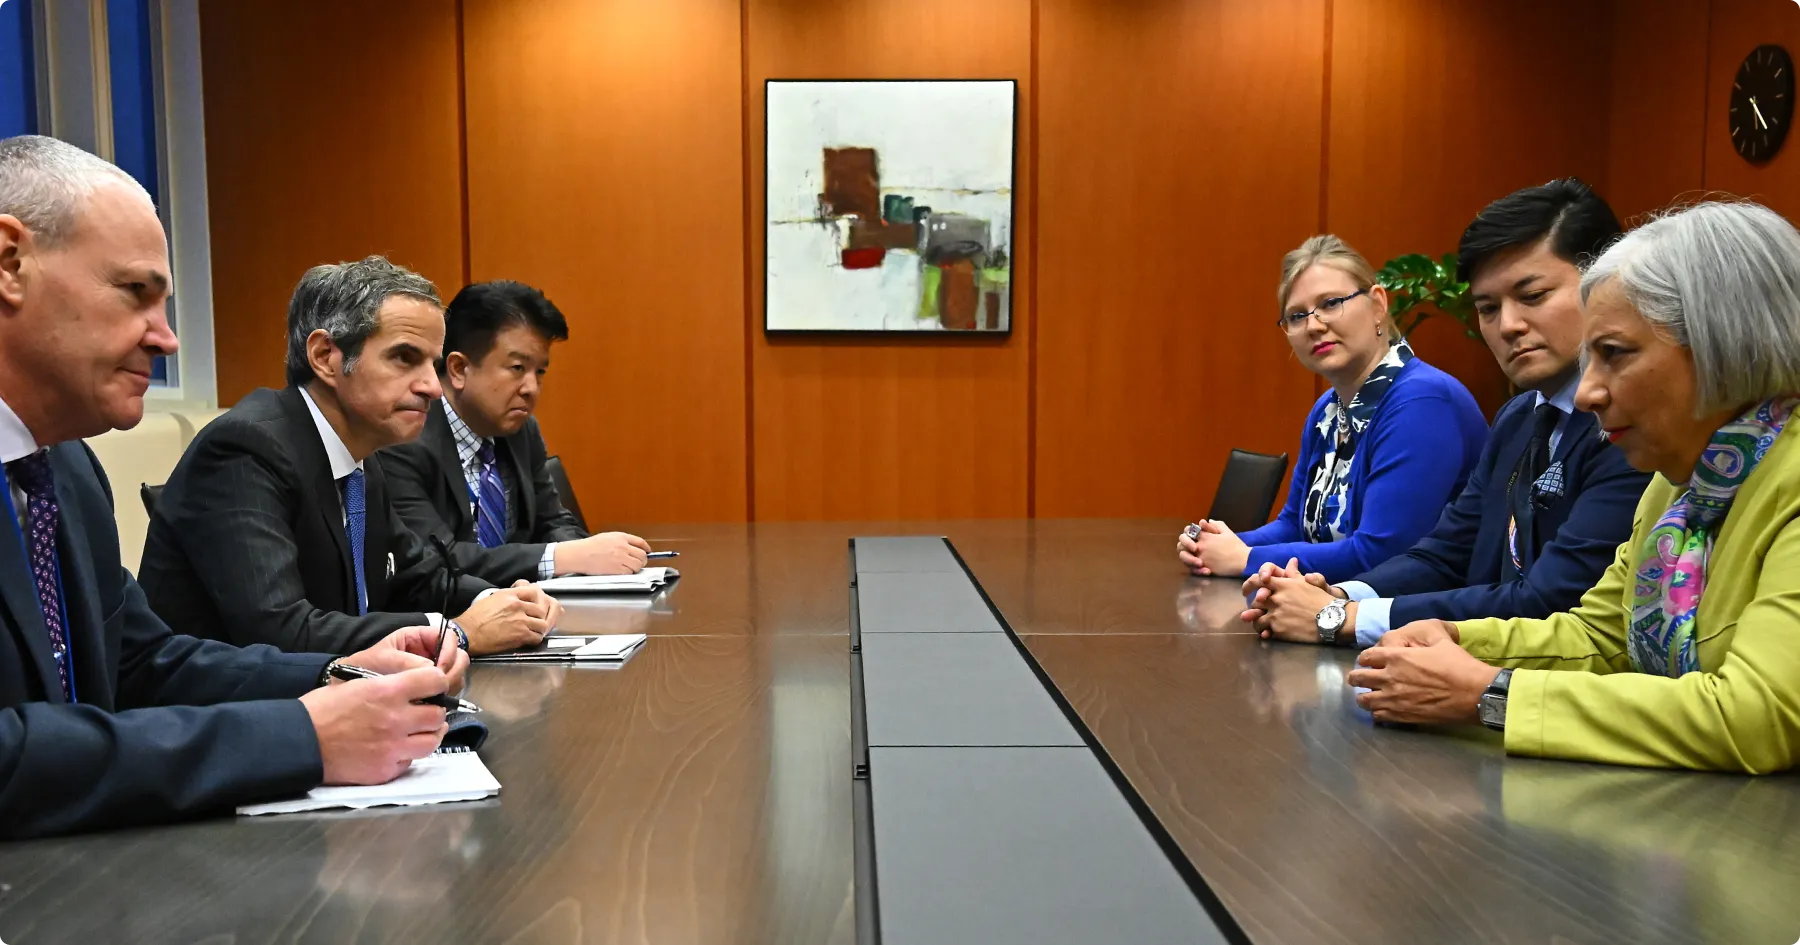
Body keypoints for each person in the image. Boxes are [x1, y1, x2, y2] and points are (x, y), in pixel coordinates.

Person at [0, 134, 468, 839]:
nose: (167, 339)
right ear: (10, 262)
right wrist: (297, 737)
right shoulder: (238, 445)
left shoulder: (64, 466)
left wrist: (339, 671)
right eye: (135, 293)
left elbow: (144, 662)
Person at [1349, 200, 1800, 773]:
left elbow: (1756, 718)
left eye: (1613, 355)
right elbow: (1602, 635)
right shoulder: (1676, 487)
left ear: (1725, 345)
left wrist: (1493, 695)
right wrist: (1457, 639)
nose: (1587, 393)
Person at [1242, 180, 1651, 646]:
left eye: (1533, 296)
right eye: (1488, 308)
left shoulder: (1632, 424)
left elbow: (1547, 602)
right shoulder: (1519, 417)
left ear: (1604, 287)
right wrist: (1338, 594)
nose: (1509, 325)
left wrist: (1342, 617)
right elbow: (1445, 553)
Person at [139, 258, 563, 656]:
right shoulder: (245, 449)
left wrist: (502, 600)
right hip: (226, 719)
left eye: (432, 364)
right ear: (326, 357)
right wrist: (455, 633)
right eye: (404, 358)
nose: (433, 388)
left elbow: (419, 577)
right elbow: (282, 632)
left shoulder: (360, 454)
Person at [1178, 235, 1488, 583]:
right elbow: (1295, 525)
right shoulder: (1327, 409)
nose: (1314, 325)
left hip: (1420, 624)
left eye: (1330, 303)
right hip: (1334, 607)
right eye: (1297, 316)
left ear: (1378, 304)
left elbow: (1382, 554)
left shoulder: (1422, 402)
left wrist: (1246, 557)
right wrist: (1215, 546)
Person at [380, 280, 651, 584]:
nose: (531, 389)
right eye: (518, 368)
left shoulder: (520, 430)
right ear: (458, 369)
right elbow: (436, 560)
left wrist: (584, 556)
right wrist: (562, 557)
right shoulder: (403, 439)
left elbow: (554, 520)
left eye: (540, 372)